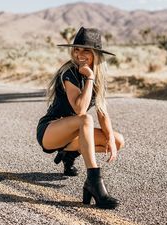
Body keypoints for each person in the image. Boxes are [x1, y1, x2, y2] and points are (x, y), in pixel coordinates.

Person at [36, 27, 124, 209]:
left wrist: (109, 140)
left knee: (117, 141)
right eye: (77, 49)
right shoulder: (69, 72)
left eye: (86, 50)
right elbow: (80, 109)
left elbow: (102, 112)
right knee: (85, 120)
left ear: (96, 55)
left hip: (73, 134)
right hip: (50, 131)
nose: (79, 54)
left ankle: (69, 153)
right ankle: (93, 182)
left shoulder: (98, 76)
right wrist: (89, 78)